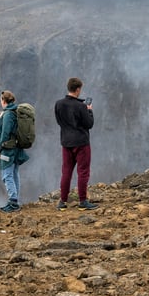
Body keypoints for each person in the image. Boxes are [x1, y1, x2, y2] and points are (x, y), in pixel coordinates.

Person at [54, 77, 97, 211]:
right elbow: (89, 124)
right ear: (78, 89)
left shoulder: (58, 104)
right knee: (83, 172)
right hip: (81, 143)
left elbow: (59, 121)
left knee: (66, 172)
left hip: (66, 142)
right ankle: (82, 201)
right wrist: (89, 110)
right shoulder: (81, 106)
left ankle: (63, 201)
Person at [0, 90, 29, 212]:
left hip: (8, 149)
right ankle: (15, 200)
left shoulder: (8, 114)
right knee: (14, 173)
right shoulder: (14, 112)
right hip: (16, 148)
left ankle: (13, 202)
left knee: (7, 175)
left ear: (3, 101)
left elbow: (5, 133)